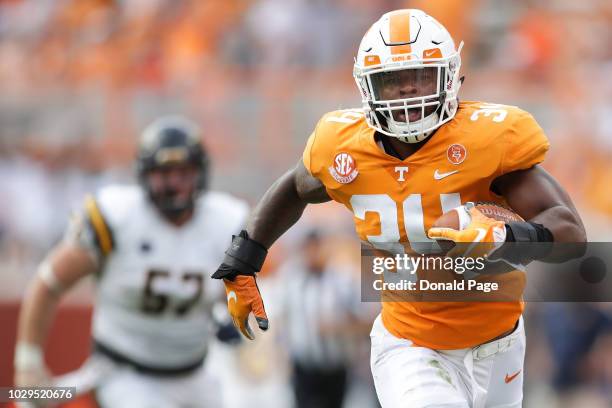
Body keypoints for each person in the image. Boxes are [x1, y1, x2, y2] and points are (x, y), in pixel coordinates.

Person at [211, 9, 587, 408]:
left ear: (450, 77)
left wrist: (510, 238)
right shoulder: (343, 148)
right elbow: (295, 187)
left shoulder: (487, 140)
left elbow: (571, 231)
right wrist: (244, 259)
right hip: (409, 343)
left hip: (499, 344)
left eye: (421, 75)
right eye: (392, 80)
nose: (408, 90)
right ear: (367, 87)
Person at [14, 116, 249, 407]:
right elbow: (48, 283)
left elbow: (241, 293)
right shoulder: (117, 217)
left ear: (200, 172)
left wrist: (227, 315)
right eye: (165, 173)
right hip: (125, 373)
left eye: (183, 172)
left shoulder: (226, 221)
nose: (175, 183)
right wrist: (28, 361)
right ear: (144, 174)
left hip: (195, 374)